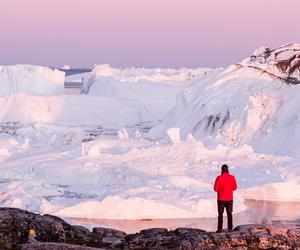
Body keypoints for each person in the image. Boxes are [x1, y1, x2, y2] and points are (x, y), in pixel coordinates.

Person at [214, 164, 237, 232]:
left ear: (221, 170)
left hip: (221, 199)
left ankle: (219, 229)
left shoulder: (219, 178)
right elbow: (235, 187)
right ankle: (230, 228)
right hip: (229, 199)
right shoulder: (232, 177)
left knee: (220, 214)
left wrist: (221, 190)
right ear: (227, 170)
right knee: (229, 213)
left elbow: (215, 189)